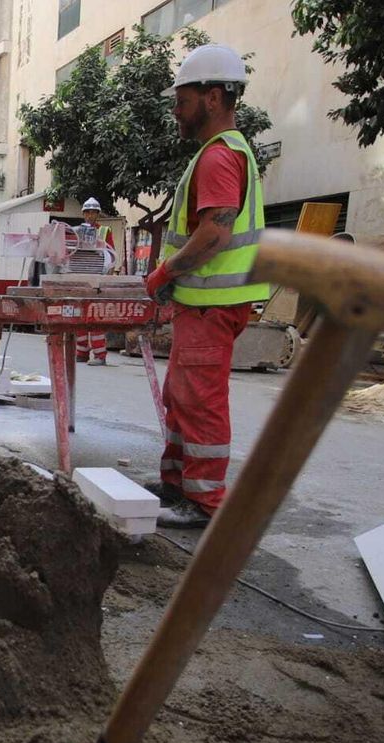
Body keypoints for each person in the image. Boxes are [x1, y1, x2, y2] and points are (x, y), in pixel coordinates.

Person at [143, 44, 271, 529]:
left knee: (199, 399)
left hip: (209, 304)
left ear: (213, 97)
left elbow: (215, 231)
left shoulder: (219, 157)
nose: (177, 111)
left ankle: (203, 499)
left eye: (182, 100)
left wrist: (165, 272)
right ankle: (177, 485)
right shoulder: (223, 153)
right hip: (205, 304)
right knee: (182, 394)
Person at [74, 197, 118, 367]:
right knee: (80, 316)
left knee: (95, 317)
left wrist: (108, 278)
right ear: (84, 214)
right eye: (87, 212)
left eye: (93, 212)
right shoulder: (77, 231)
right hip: (81, 277)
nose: (90, 215)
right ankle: (81, 352)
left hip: (98, 278)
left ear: (98, 214)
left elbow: (111, 255)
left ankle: (100, 355)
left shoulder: (104, 231)